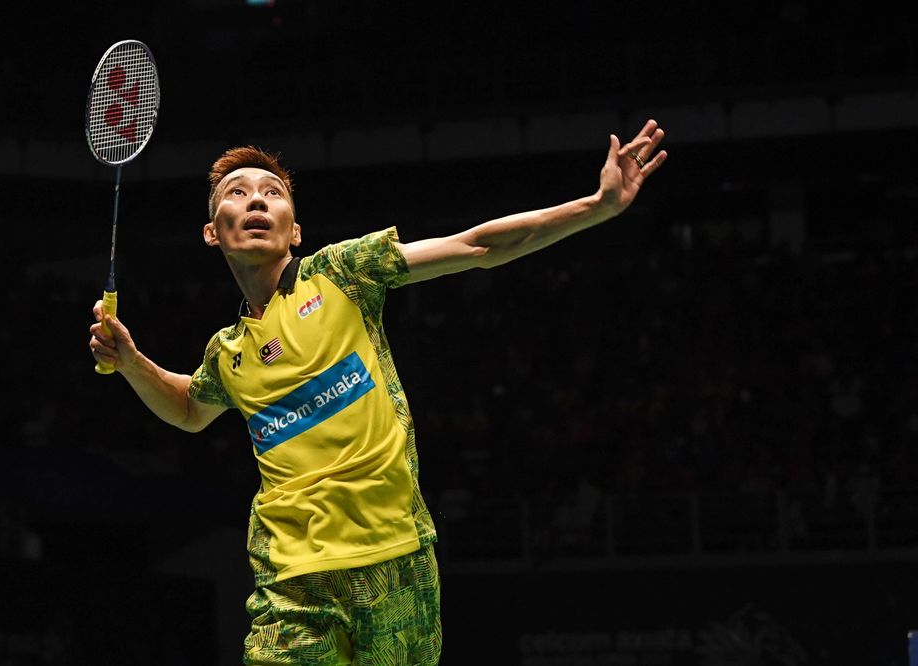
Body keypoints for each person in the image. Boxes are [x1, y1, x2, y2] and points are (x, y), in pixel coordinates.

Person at [89, 119, 667, 665]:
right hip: (291, 580)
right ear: (213, 233)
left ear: (295, 229)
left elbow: (478, 246)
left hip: (396, 560)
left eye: (272, 192)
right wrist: (134, 362)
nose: (257, 200)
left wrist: (596, 207)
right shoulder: (228, 352)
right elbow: (191, 409)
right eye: (237, 194)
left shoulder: (341, 274)